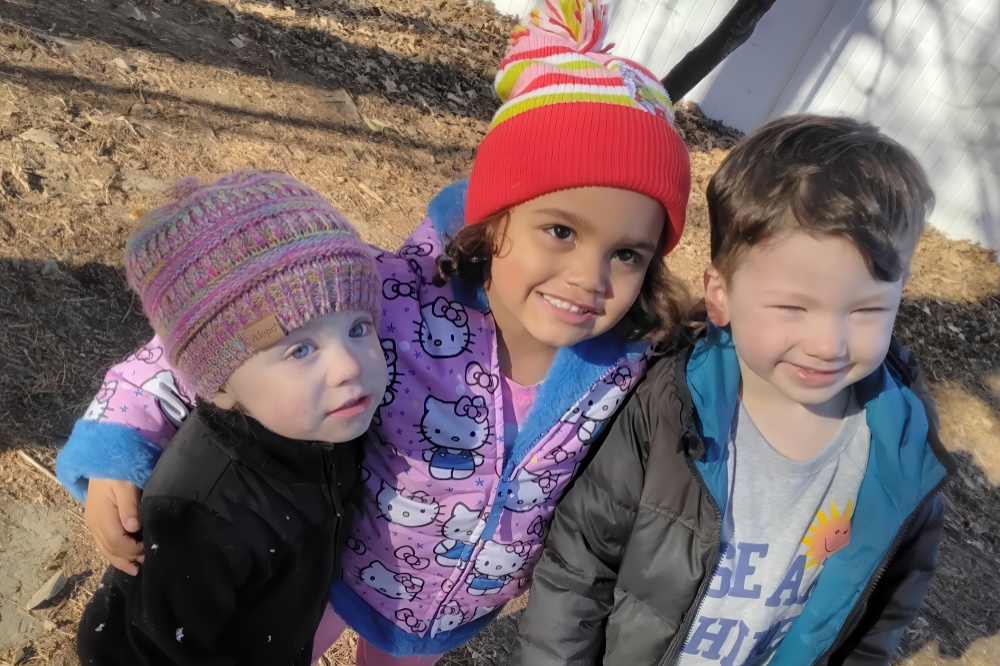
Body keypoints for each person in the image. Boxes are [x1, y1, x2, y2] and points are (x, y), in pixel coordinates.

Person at [55, 1, 692, 663]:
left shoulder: (629, 364)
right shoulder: (395, 297)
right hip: (333, 576)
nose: (591, 277)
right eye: (560, 231)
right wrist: (114, 448)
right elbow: (206, 334)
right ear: (494, 218)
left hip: (451, 616)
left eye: (628, 254)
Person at [515, 114, 956, 666]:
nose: (829, 343)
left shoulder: (903, 458)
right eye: (793, 307)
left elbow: (882, 617)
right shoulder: (666, 411)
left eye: (868, 309)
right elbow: (579, 569)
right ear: (720, 294)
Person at [71, 170, 386, 664]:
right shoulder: (200, 516)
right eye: (301, 349)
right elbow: (160, 649)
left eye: (359, 326)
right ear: (217, 383)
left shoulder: (326, 426)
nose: (350, 365)